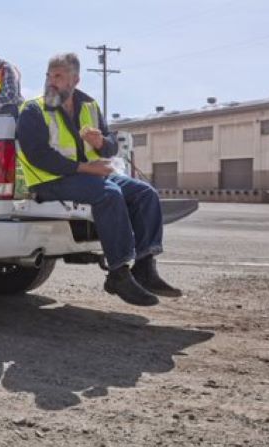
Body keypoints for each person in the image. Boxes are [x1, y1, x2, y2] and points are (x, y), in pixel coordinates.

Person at [15, 52, 181, 306]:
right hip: (49, 180)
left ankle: (145, 267)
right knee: (109, 194)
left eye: (58, 76)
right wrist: (86, 168)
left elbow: (111, 145)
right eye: (49, 75)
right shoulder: (33, 109)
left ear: (75, 79)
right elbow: (37, 156)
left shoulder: (90, 105)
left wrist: (102, 142)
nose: (51, 81)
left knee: (145, 194)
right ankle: (118, 272)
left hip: (88, 177)